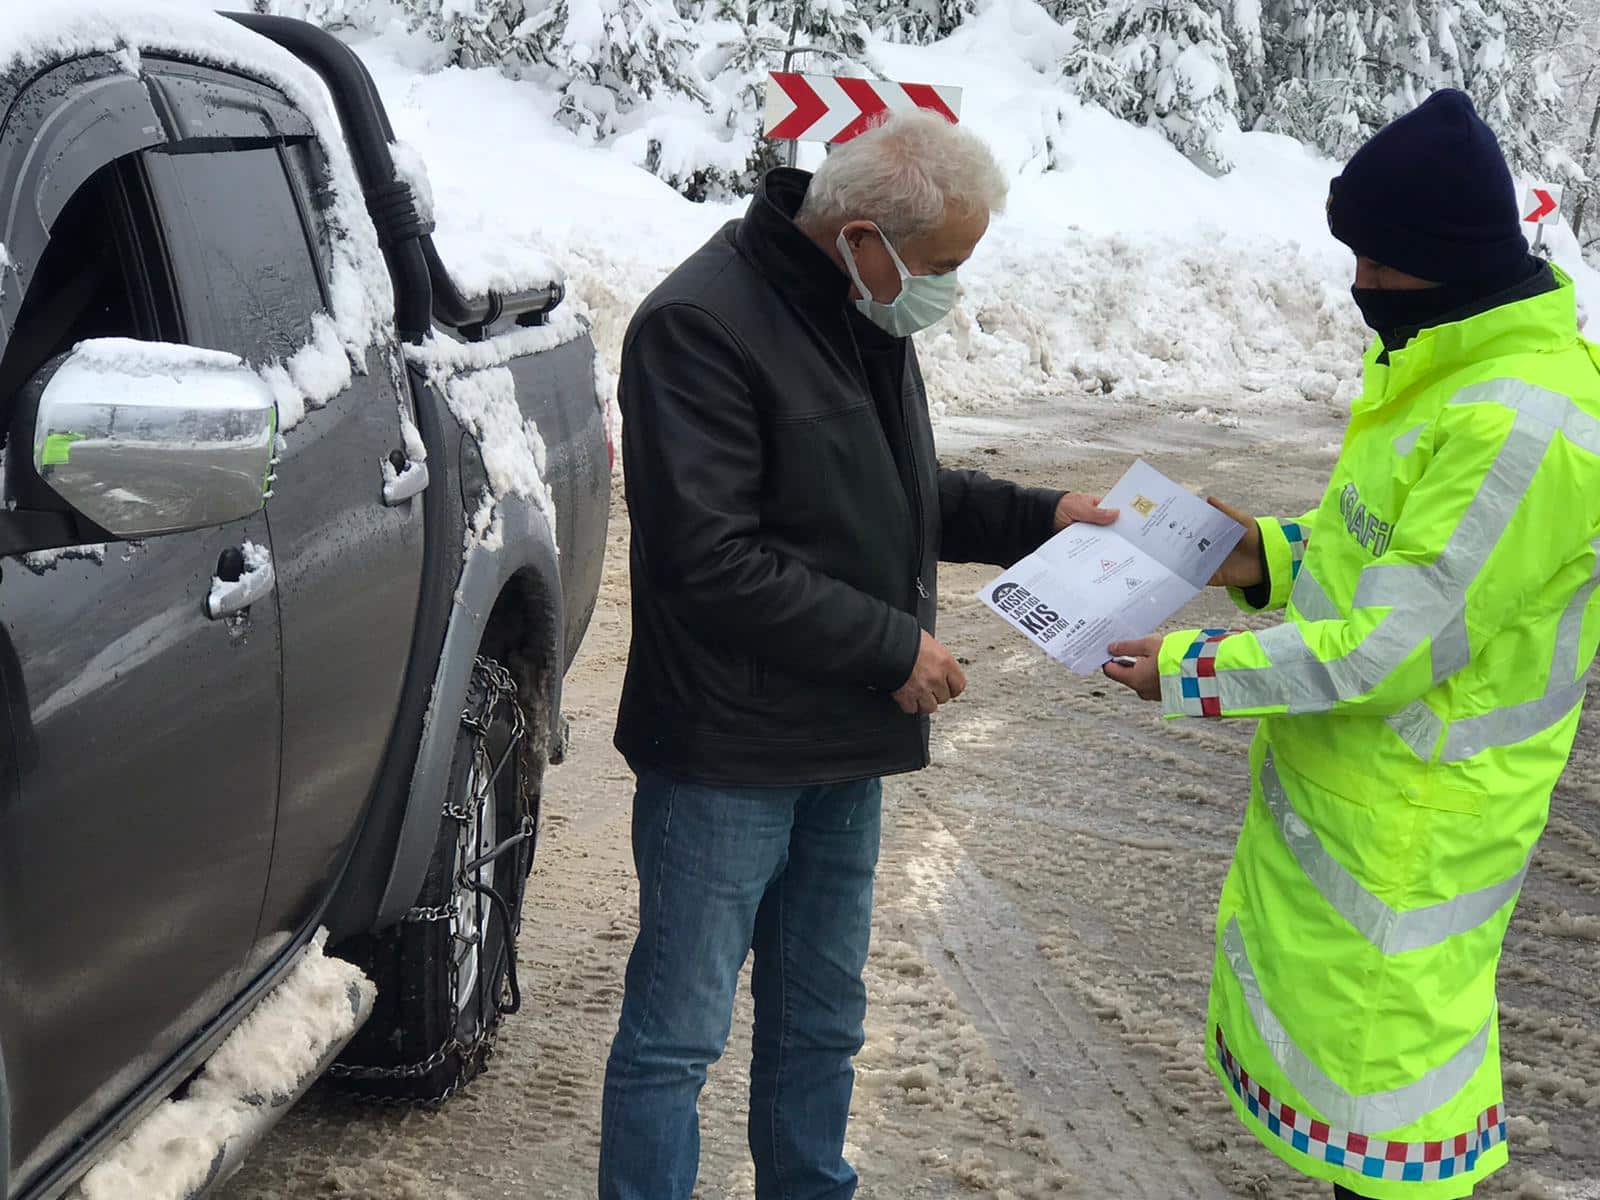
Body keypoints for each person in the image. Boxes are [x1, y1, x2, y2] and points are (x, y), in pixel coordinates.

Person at [600, 110, 1115, 1200]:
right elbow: (711, 561)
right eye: (942, 266)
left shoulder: (861, 306)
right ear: (865, 235)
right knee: (676, 1039)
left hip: (840, 741)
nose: (946, 290)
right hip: (727, 757)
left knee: (820, 1021)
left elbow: (891, 496)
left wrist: (1042, 515)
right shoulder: (696, 325)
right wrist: (891, 645)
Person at [1104, 89, 1600, 1199]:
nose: (1361, 283)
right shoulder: (1442, 368)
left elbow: (1388, 649)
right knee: (1354, 1116)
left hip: (1419, 826)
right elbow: (1373, 551)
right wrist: (1255, 556)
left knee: (1397, 1127)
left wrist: (1194, 669)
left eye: (1379, 258)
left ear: (1447, 255)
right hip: (1362, 804)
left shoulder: (1523, 421)